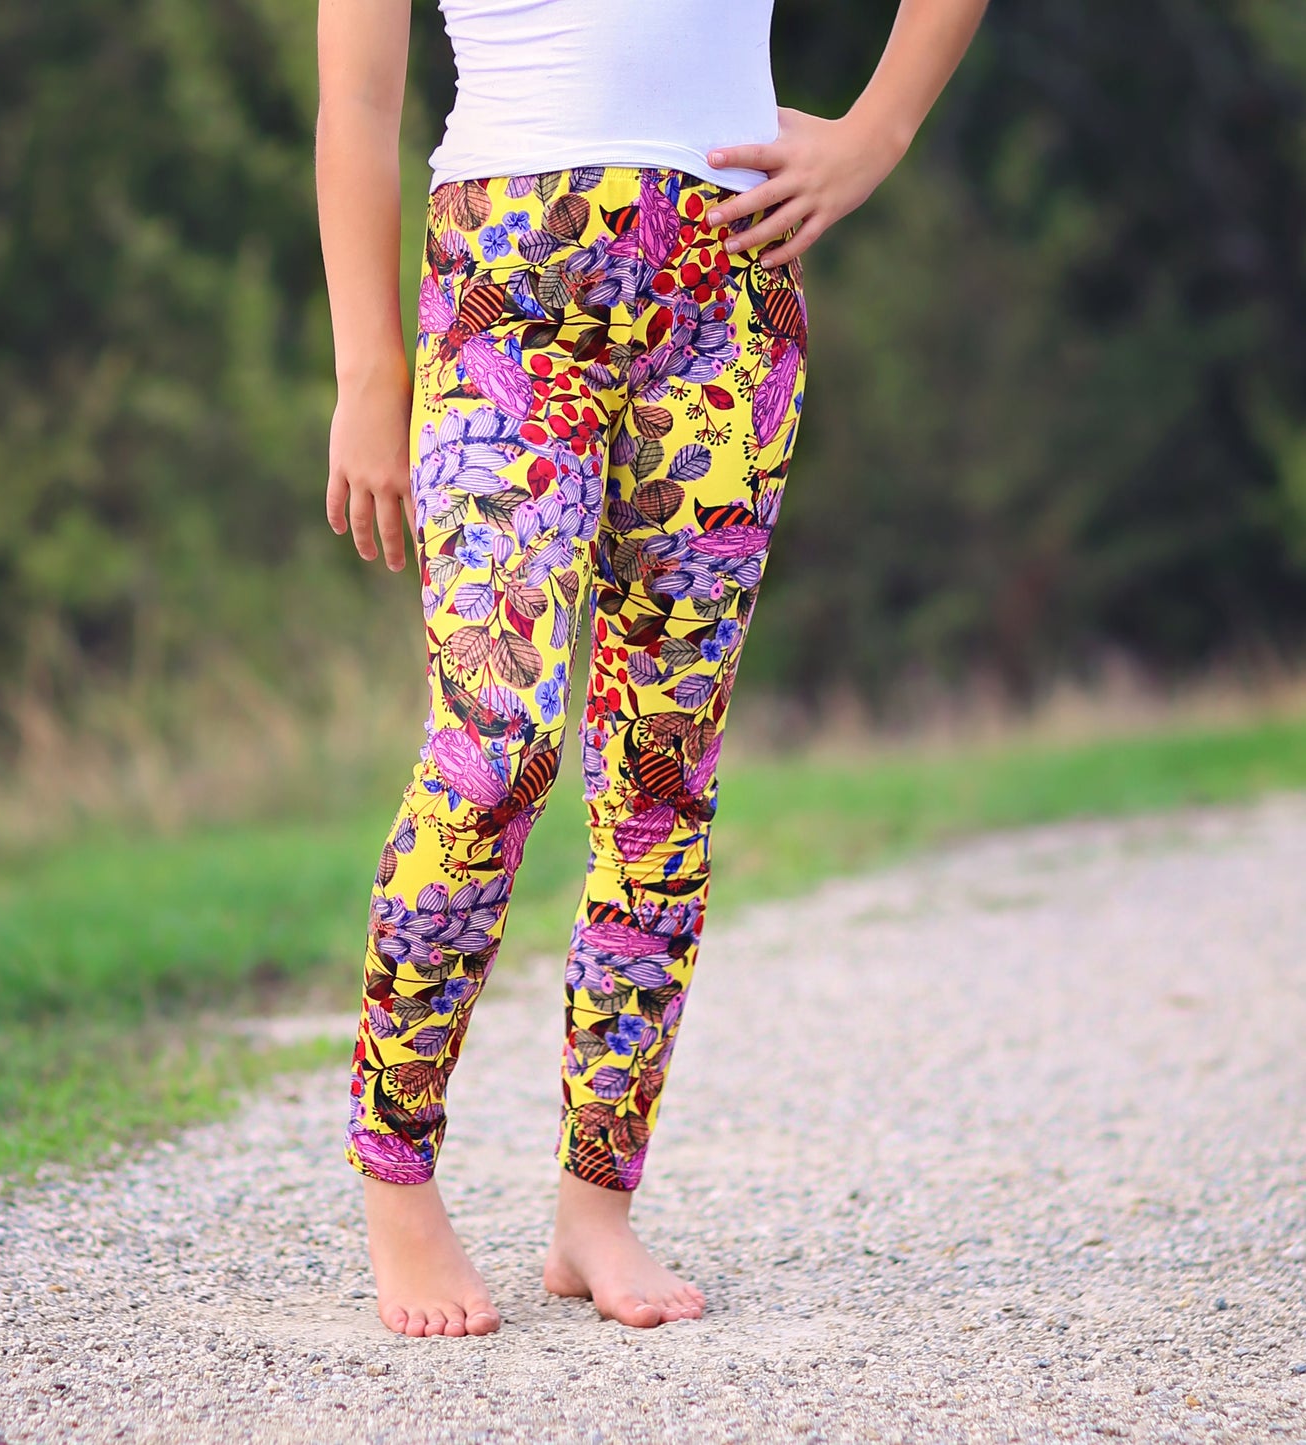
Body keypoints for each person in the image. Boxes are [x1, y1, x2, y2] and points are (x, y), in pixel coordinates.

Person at [315, 0, 989, 1338]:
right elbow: (353, 102)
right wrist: (368, 373)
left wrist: (877, 130)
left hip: (723, 302)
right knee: (495, 745)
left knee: (660, 776)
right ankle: (399, 1180)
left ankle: (594, 1204)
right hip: (504, 300)